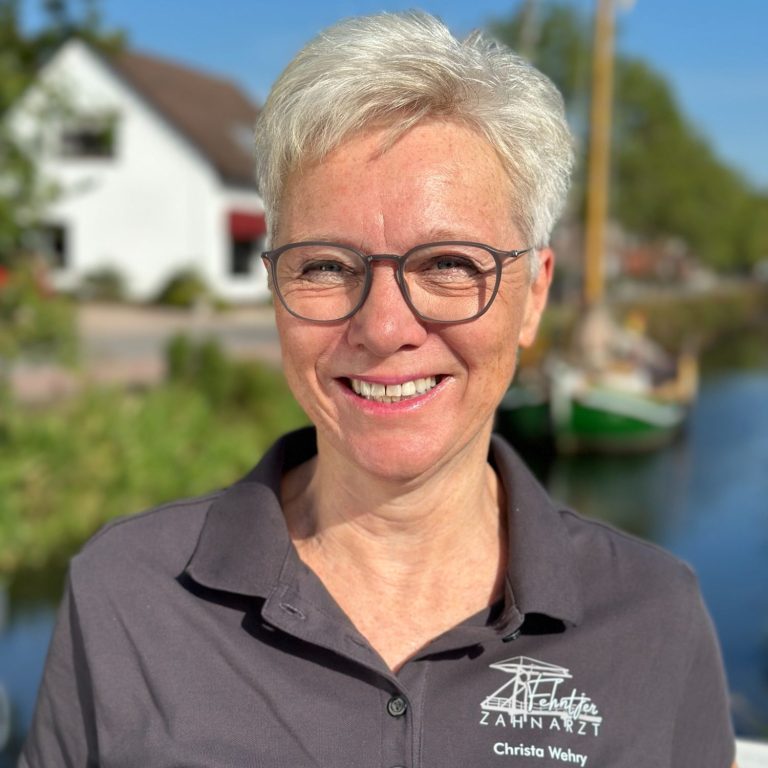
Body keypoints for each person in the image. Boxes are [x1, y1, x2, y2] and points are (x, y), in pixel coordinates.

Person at [22, 11, 736, 767]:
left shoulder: (653, 620)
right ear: (274, 290)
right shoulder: (126, 594)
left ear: (533, 296)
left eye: (449, 264)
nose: (385, 327)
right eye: (326, 266)